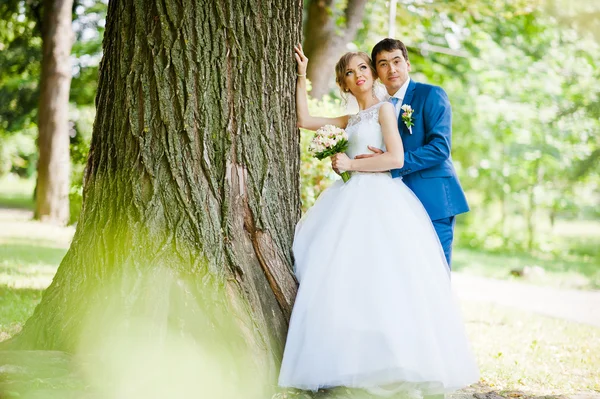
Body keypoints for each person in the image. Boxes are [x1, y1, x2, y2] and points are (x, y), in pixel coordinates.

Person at [277, 44, 478, 398]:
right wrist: (300, 74)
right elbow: (305, 121)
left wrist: (352, 164)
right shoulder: (351, 120)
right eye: (351, 73)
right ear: (345, 85)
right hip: (349, 202)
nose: (360, 75)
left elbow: (396, 157)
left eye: (363, 69)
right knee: (349, 278)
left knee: (394, 281)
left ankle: (406, 360)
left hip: (383, 199)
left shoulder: (386, 110)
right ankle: (350, 359)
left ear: (372, 74)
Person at [352, 38, 469, 267]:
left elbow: (440, 148)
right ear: (377, 72)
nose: (392, 69)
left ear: (408, 64)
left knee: (434, 271)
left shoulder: (431, 94)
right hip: (393, 201)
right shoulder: (379, 106)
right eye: (383, 64)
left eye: (396, 61)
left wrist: (392, 162)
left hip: (433, 199)